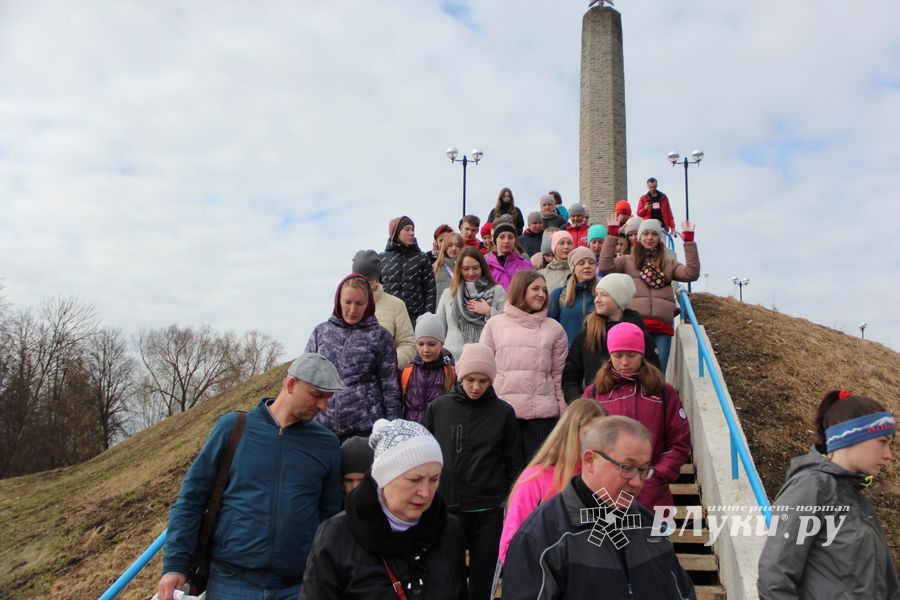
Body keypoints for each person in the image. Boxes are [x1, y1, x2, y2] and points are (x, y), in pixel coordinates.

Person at [158, 353, 345, 600]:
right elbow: (191, 500)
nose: (323, 406)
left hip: (298, 585)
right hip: (231, 581)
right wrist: (175, 564)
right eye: (316, 395)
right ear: (290, 385)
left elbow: (330, 516)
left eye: (328, 399)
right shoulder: (233, 428)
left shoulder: (327, 444)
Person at [502, 415, 696, 600]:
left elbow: (682, 592)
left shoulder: (648, 526)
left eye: (644, 470)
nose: (637, 482)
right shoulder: (541, 536)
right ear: (590, 460)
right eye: (627, 468)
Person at [300, 418, 468, 599]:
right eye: (414, 480)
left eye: (434, 479)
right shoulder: (337, 536)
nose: (426, 493)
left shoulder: (449, 530)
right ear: (384, 478)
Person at [757, 390, 898, 600]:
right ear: (852, 436)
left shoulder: (859, 501)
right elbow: (774, 578)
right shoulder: (811, 487)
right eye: (882, 442)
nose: (888, 455)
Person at [425, 343, 524, 600]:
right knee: (450, 580)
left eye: (483, 381)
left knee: (483, 582)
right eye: (470, 379)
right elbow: (427, 456)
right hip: (449, 509)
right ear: (460, 376)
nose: (476, 387)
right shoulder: (440, 408)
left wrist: (508, 501)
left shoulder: (503, 413)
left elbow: (515, 462)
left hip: (488, 511)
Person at [584, 322, 691, 510]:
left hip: (653, 497)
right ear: (609, 355)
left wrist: (656, 474)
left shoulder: (663, 393)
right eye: (618, 356)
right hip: (604, 497)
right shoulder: (593, 394)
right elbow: (580, 443)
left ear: (642, 354)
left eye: (631, 355)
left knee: (657, 540)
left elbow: (680, 441)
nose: (624, 362)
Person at [498, 398, 607, 564]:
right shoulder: (535, 479)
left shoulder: (605, 479)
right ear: (570, 432)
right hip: (544, 578)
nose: (596, 444)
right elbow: (512, 544)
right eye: (589, 435)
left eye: (603, 437)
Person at [480, 270, 568, 459]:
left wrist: (563, 412)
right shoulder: (494, 325)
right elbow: (484, 372)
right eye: (535, 288)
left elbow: (558, 376)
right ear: (520, 290)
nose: (542, 294)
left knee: (535, 476)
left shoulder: (555, 329)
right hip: (502, 413)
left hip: (541, 419)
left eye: (544, 290)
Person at [305, 274, 401, 440]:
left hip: (365, 431)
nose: (352, 310)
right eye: (347, 302)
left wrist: (393, 430)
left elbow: (390, 387)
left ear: (368, 304)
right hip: (320, 428)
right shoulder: (321, 332)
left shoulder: (380, 336)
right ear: (338, 300)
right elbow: (305, 378)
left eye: (359, 303)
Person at [601, 216, 699, 373]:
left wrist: (689, 243)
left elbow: (691, 274)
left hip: (662, 328)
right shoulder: (627, 261)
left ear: (659, 238)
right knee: (633, 374)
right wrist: (612, 235)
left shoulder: (669, 263)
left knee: (657, 375)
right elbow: (605, 268)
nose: (649, 238)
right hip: (635, 326)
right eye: (645, 234)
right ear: (639, 237)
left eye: (653, 234)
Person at [562, 273, 660, 402]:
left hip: (632, 413)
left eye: (604, 295)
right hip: (596, 415)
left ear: (620, 299)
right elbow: (570, 378)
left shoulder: (641, 336)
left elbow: (655, 377)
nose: (597, 299)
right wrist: (582, 406)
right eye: (597, 294)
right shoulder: (585, 336)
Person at [437, 246, 506, 361]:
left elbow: (507, 325)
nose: (471, 273)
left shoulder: (497, 291)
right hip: (452, 359)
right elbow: (439, 327)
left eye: (475, 268)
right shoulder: (449, 293)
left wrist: (489, 311)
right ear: (459, 269)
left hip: (484, 359)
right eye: (466, 268)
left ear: (482, 267)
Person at [352, 249, 416, 369]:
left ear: (376, 278)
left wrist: (388, 363)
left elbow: (408, 344)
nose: (364, 285)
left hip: (385, 380)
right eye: (359, 281)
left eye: (369, 281)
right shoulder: (346, 305)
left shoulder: (396, 305)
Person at [381, 215, 437, 326]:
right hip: (388, 319)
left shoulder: (422, 258)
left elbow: (430, 289)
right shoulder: (381, 258)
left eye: (413, 229)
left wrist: (427, 318)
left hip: (415, 320)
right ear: (396, 232)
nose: (412, 233)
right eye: (407, 229)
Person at [401, 312, 456, 424]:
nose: (425, 350)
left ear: (442, 343)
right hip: (412, 434)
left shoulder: (450, 372)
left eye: (431, 344)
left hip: (438, 435)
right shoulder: (407, 372)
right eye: (420, 344)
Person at [548, 246, 597, 344]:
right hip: (568, 355)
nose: (587, 266)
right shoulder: (558, 295)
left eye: (591, 263)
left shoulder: (602, 294)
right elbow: (549, 329)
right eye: (581, 263)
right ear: (573, 268)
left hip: (595, 354)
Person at [485, 221, 533, 290]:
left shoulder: (526, 266)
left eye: (510, 237)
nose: (506, 241)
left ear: (515, 240)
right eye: (502, 237)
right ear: (495, 240)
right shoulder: (486, 267)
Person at [433, 232, 464, 300]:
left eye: (457, 245)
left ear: (462, 248)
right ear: (445, 247)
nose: (453, 248)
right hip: (440, 308)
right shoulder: (435, 267)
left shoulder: (465, 267)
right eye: (450, 245)